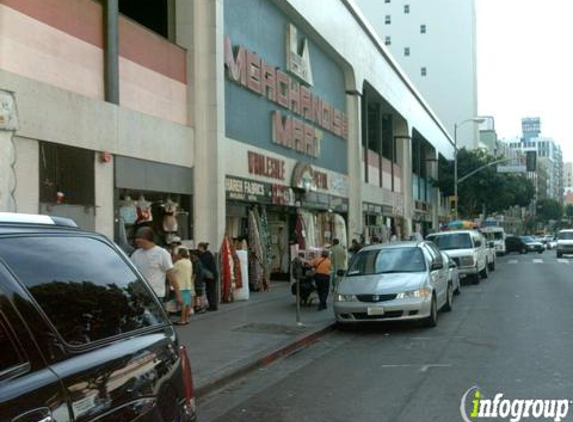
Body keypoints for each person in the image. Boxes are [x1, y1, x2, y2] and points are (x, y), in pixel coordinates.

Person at [131, 227, 182, 305]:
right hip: (139, 296)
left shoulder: (162, 253)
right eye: (136, 242)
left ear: (147, 240)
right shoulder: (136, 254)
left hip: (156, 296)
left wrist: (178, 294)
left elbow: (171, 275)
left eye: (139, 242)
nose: (137, 244)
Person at [172, 247, 194, 325]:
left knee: (183, 304)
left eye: (178, 254)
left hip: (180, 285)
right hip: (187, 284)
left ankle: (182, 320)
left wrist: (174, 260)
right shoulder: (189, 262)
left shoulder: (178, 263)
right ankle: (186, 319)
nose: (177, 255)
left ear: (180, 254)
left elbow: (171, 271)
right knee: (187, 302)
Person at [198, 242, 218, 311]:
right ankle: (213, 305)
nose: (198, 249)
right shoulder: (208, 254)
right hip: (212, 275)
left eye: (199, 247)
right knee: (211, 290)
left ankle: (212, 306)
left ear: (202, 248)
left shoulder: (205, 255)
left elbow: (203, 265)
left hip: (210, 276)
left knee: (210, 291)